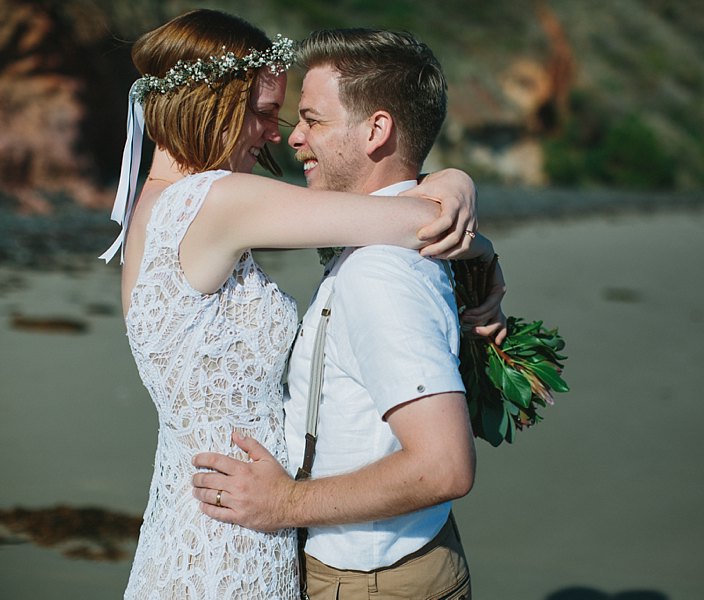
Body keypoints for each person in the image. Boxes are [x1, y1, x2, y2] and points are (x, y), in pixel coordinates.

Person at [104, 10, 489, 600]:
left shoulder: (155, 206)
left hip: (199, 516)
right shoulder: (213, 200)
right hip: (232, 537)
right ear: (212, 104)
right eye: (264, 112)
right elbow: (422, 221)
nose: (275, 133)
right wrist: (458, 186)